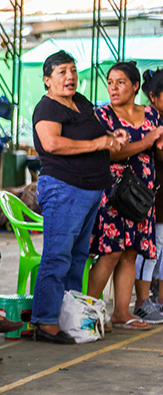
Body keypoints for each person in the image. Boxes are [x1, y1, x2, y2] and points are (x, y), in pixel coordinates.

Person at [31, 50, 126, 344]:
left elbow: (95, 133)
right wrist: (98, 142)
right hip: (64, 188)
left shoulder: (81, 101)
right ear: (47, 80)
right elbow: (51, 143)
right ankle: (45, 321)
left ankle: (68, 317)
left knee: (77, 258)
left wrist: (113, 137)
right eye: (62, 72)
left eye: (72, 70)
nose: (70, 76)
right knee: (57, 257)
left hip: (89, 190)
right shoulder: (47, 108)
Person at [88, 62, 163, 328]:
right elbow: (111, 153)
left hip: (142, 195)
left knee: (131, 252)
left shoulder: (152, 115)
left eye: (120, 82)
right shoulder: (103, 116)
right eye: (110, 82)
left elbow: (158, 151)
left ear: (134, 87)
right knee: (110, 253)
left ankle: (121, 313)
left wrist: (160, 143)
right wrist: (147, 141)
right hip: (113, 192)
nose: (113, 87)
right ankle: (88, 311)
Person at [134, 68, 163, 314]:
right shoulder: (149, 120)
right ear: (153, 97)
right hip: (151, 196)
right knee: (152, 249)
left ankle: (159, 300)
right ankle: (143, 302)